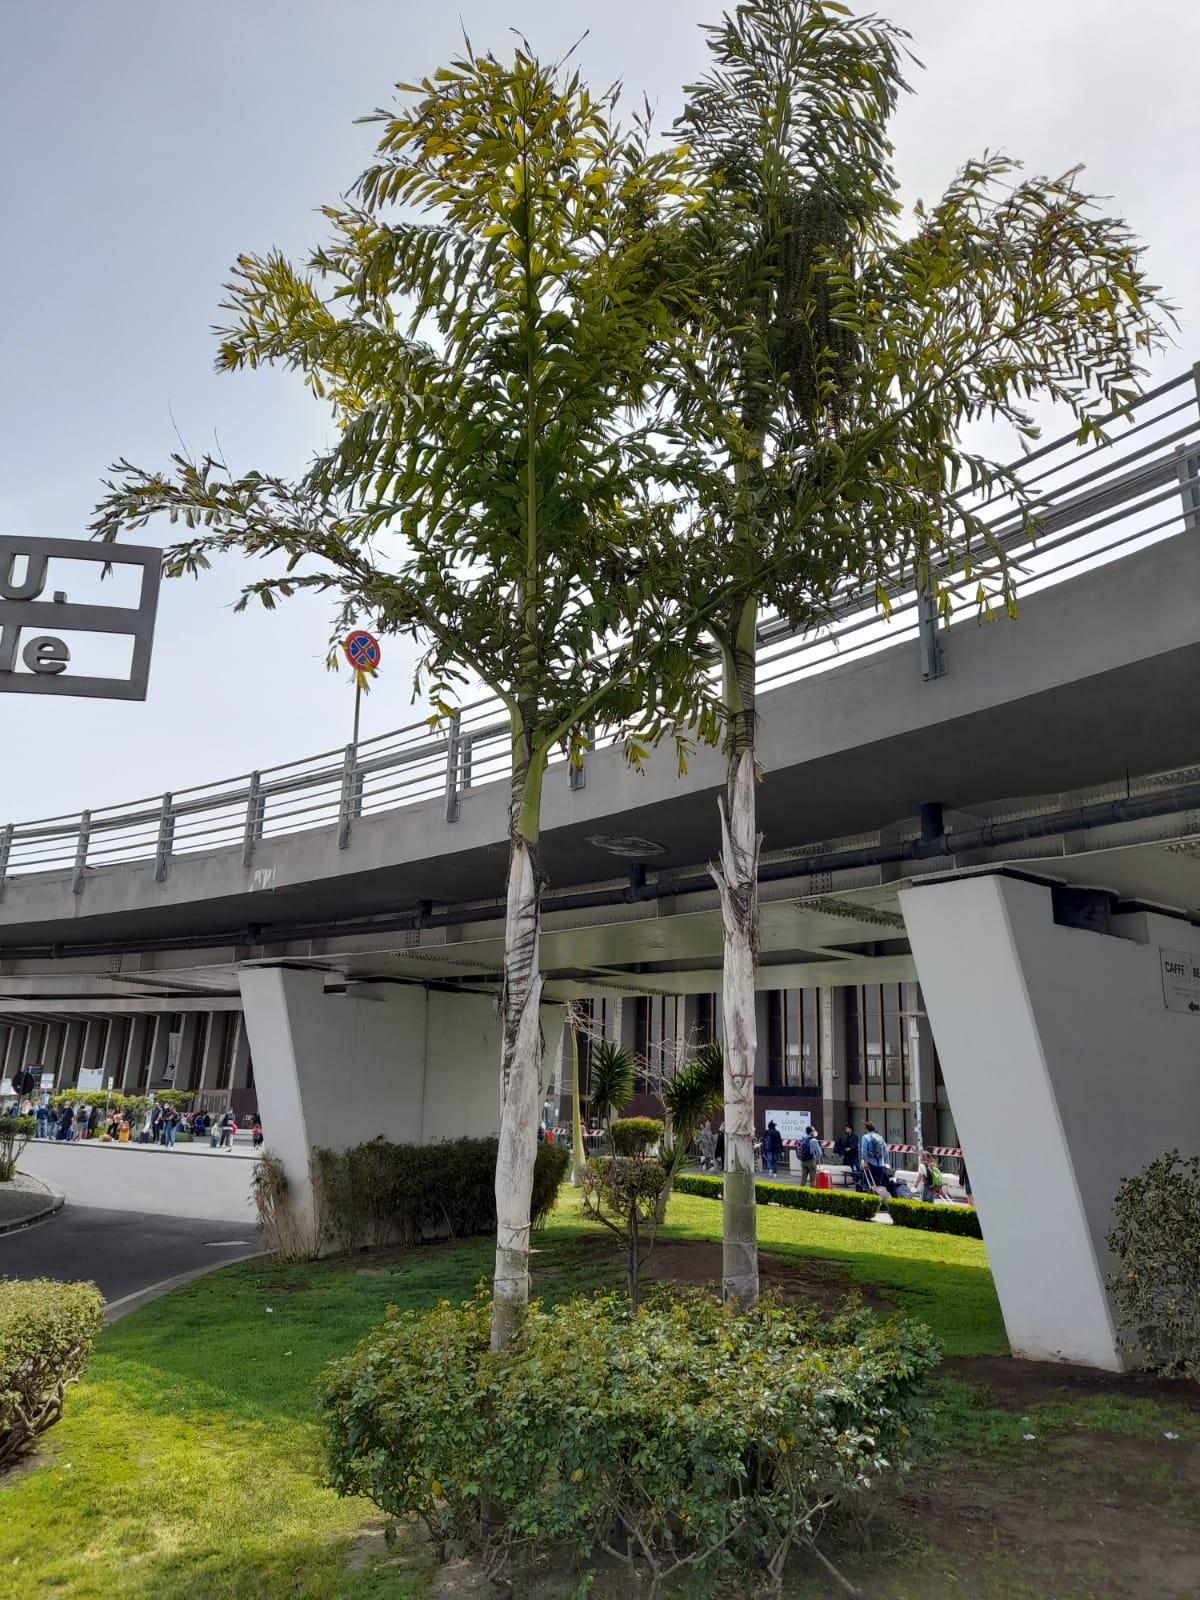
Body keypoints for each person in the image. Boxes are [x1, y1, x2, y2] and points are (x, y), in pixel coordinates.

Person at [860, 1122, 890, 1191]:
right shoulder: (880, 1137)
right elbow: (885, 1150)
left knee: (869, 1183)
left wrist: (865, 1162)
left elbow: (864, 1151)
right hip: (881, 1164)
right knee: (878, 1183)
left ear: (867, 1129)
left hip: (871, 1164)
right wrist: (887, 1163)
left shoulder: (865, 1137)